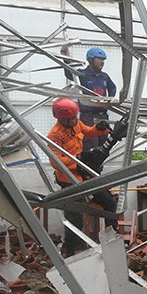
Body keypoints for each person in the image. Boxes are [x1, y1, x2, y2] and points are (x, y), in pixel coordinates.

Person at [47, 98, 118, 256]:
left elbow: (88, 132)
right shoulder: (54, 136)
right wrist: (77, 162)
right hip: (69, 182)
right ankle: (72, 252)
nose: (76, 119)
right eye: (73, 117)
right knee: (74, 219)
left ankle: (112, 242)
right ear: (62, 118)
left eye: (76, 115)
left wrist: (100, 129)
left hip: (84, 176)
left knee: (109, 203)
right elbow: (55, 161)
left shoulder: (76, 124)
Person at [60, 45, 117, 152]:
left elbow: (112, 87)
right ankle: (88, 168)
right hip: (88, 118)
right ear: (91, 60)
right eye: (99, 59)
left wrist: (110, 99)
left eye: (103, 60)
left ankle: (99, 168)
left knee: (104, 146)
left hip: (102, 117)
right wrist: (65, 57)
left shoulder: (104, 77)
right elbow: (69, 73)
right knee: (90, 147)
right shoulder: (83, 75)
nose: (102, 62)